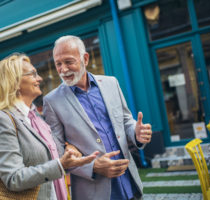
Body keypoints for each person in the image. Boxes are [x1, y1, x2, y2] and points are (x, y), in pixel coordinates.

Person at [43, 35, 153, 200]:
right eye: (58, 64)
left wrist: (136, 134)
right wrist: (92, 166)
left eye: (68, 62)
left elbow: (125, 121)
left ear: (85, 59)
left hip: (129, 184)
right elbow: (57, 153)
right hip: (92, 191)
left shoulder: (111, 83)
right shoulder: (51, 101)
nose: (63, 70)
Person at [0, 53, 99, 200]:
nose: (39, 78)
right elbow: (13, 178)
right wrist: (59, 165)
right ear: (14, 82)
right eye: (33, 74)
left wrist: (68, 149)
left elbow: (51, 156)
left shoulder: (36, 117)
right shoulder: (2, 121)